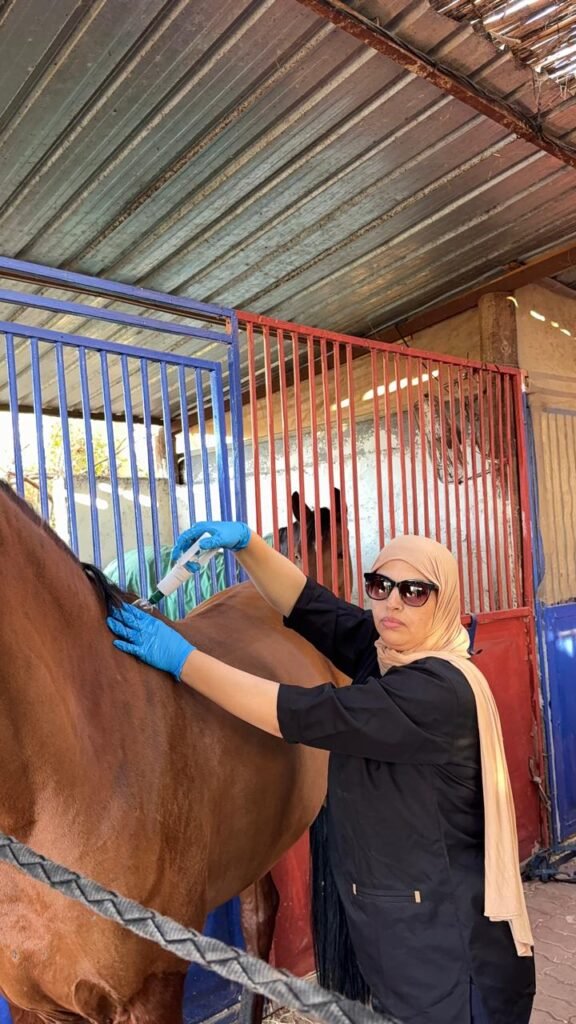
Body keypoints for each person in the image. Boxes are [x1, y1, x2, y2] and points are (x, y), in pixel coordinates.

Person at [106, 522, 536, 1024]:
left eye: (415, 591)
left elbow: (297, 713)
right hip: (409, 942)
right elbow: (311, 606)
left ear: (443, 602)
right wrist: (247, 545)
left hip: (452, 958)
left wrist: (184, 660)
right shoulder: (391, 654)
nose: (393, 603)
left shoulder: (435, 693)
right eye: (380, 585)